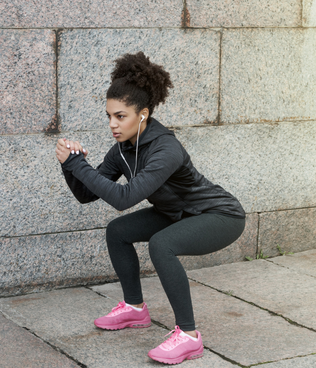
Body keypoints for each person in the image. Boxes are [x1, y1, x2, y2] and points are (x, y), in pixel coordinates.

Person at [55, 52, 245, 365]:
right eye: (109, 116)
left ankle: (189, 336)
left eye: (120, 116)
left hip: (220, 215)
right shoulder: (123, 149)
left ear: (143, 114)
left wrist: (78, 164)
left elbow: (123, 198)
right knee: (118, 232)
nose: (113, 125)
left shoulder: (165, 147)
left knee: (162, 244)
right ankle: (134, 309)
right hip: (176, 213)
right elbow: (87, 195)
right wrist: (69, 165)